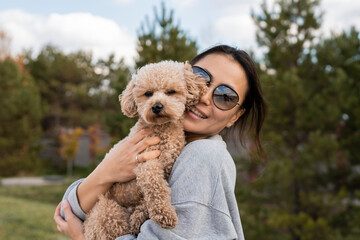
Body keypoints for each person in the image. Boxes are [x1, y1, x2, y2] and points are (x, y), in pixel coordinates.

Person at [54, 44, 267, 240]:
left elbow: (72, 217)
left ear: (234, 116)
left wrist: (82, 238)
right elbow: (67, 211)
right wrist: (108, 171)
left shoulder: (204, 155)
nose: (204, 96)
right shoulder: (145, 140)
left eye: (225, 96)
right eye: (201, 78)